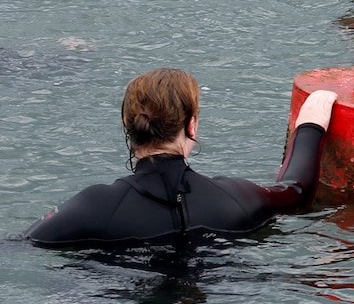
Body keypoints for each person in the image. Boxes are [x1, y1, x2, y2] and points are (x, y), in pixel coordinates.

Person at [21, 69, 336, 249]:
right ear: (192, 125)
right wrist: (310, 126)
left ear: (127, 126)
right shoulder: (234, 198)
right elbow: (296, 191)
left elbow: (23, 244)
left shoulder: (94, 207)